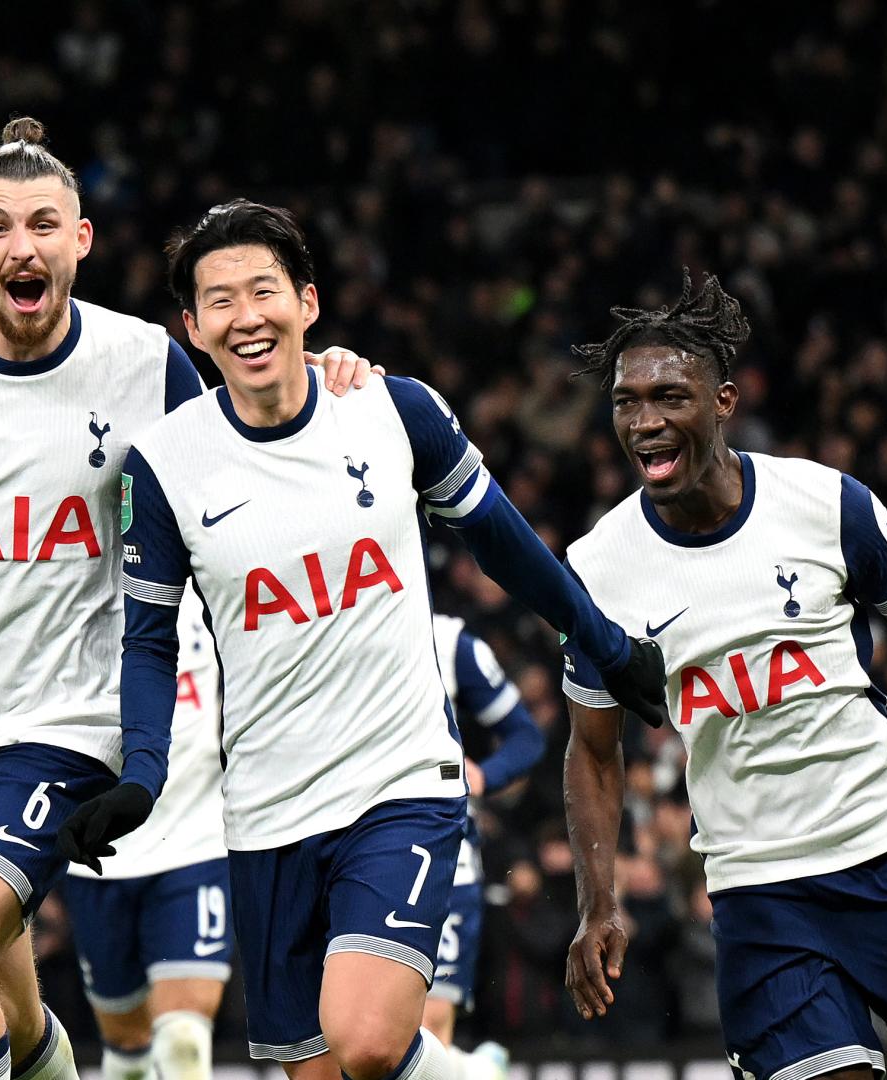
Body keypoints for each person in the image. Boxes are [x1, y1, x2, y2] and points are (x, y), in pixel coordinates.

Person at [0, 120, 374, 1080]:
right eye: (0, 226)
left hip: (68, 723)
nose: (25, 246)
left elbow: (265, 442)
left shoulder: (145, 365)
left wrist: (343, 384)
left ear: (80, 241)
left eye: (45, 225)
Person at [55, 199, 665, 1080]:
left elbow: (503, 542)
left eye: (263, 291)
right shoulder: (161, 466)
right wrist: (142, 774)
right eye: (218, 301)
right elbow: (148, 642)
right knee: (320, 1072)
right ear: (191, 327)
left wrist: (602, 641)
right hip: (265, 812)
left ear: (307, 301)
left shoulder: (391, 410)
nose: (246, 316)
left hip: (399, 780)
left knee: (368, 1039)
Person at [559, 273, 887, 1080]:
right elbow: (593, 750)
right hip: (761, 894)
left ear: (723, 401)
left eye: (670, 397)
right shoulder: (596, 568)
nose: (645, 421)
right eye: (626, 402)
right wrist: (598, 903)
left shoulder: (825, 504)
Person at [59, 592, 228, 1080]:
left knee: (183, 1041)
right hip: (100, 853)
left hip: (195, 840)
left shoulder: (208, 573)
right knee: (126, 1046)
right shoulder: (71, 589)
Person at [426, 614, 542, 1080]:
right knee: (362, 1040)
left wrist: (482, 775)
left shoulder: (448, 640)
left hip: (444, 856)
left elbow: (525, 736)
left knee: (427, 1032)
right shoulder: (318, 633)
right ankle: (473, 1073)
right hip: (348, 852)